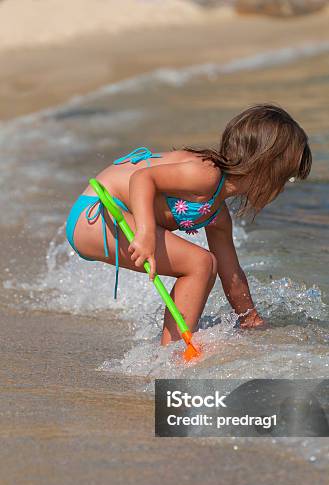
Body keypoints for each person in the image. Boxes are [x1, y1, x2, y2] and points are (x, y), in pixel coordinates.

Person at [65, 103, 312, 346]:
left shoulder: (216, 212)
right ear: (266, 167)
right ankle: (172, 355)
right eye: (287, 178)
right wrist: (146, 231)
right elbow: (143, 178)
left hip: (105, 221)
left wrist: (252, 320)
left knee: (209, 263)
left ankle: (175, 350)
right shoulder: (205, 174)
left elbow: (232, 275)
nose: (282, 189)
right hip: (99, 212)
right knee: (200, 263)